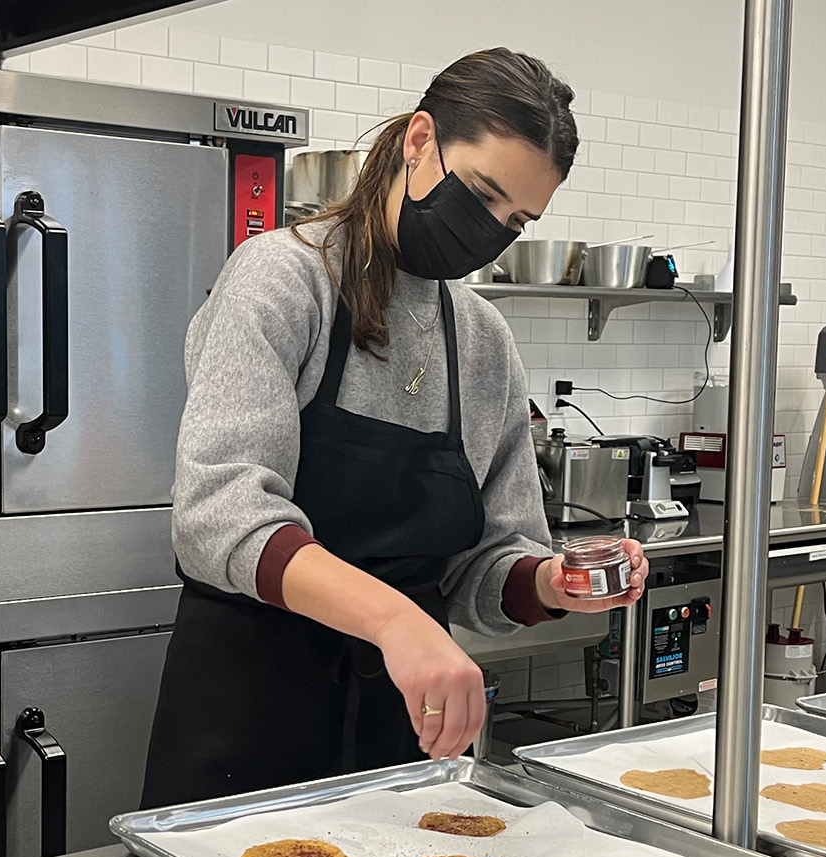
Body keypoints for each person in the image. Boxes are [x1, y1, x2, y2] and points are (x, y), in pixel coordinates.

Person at [141, 48, 649, 806]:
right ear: (419, 141)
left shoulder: (480, 340)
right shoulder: (283, 279)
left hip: (400, 740)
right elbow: (222, 515)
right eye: (482, 196)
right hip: (246, 730)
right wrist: (397, 622)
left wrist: (550, 582)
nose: (490, 232)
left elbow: (487, 561)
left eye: (518, 221)